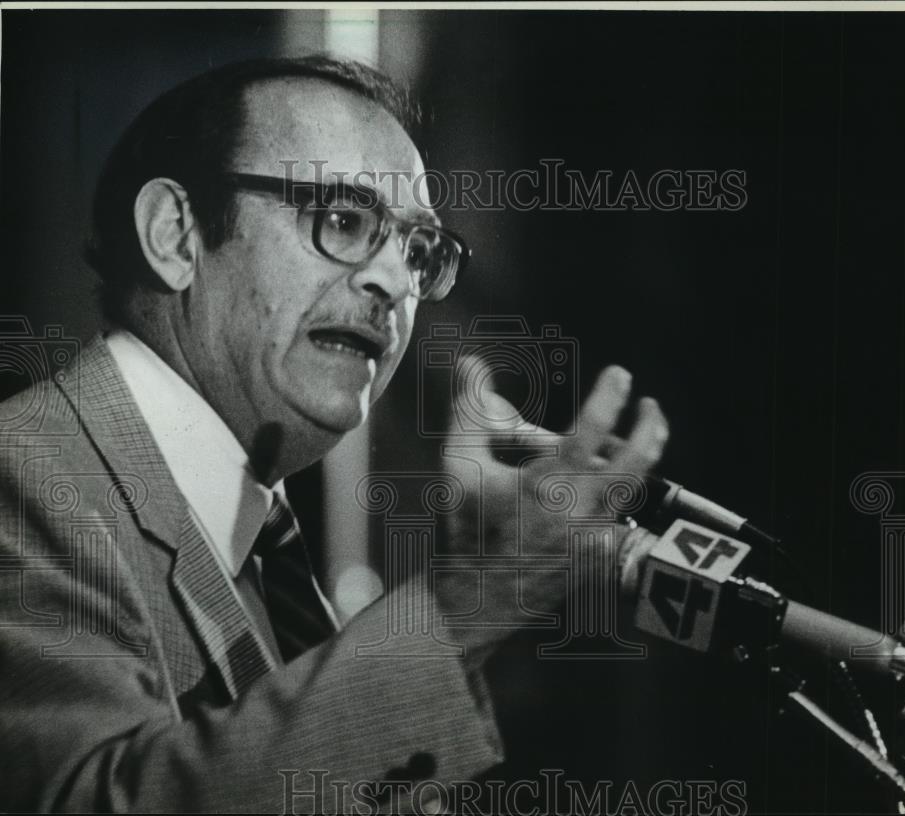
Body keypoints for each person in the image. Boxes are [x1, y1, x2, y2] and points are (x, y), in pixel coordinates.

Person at [0, 56, 668, 813]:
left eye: (419, 251)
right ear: (176, 236)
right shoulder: (21, 477)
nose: (394, 283)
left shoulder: (255, 536)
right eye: (342, 221)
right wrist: (472, 603)